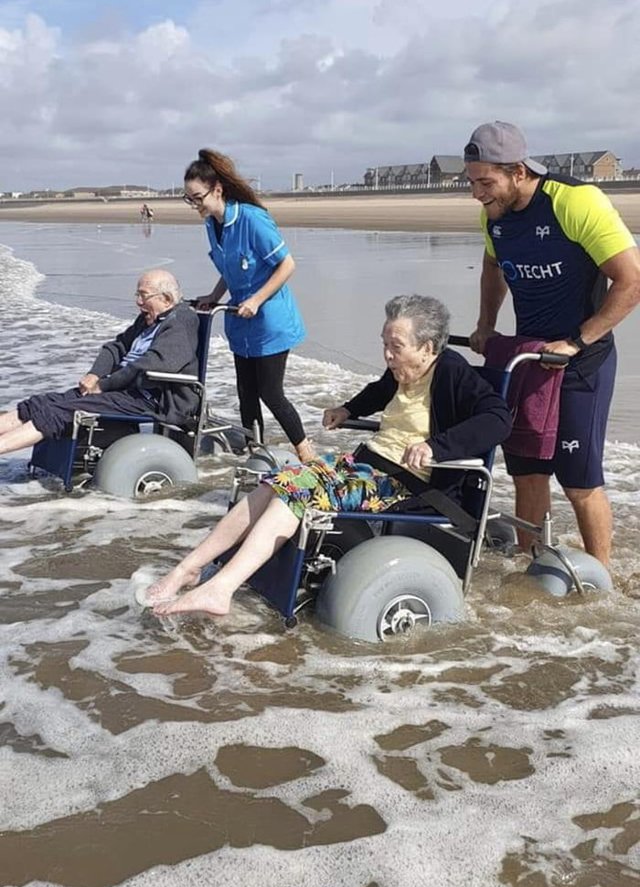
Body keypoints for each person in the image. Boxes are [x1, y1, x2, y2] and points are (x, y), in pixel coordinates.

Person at [146, 294, 512, 618]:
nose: (387, 355)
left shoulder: (452, 372)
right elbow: (379, 390)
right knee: (273, 485)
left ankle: (221, 589)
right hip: (367, 468)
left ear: (428, 348)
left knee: (296, 496)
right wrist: (348, 409)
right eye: (384, 344)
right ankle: (189, 568)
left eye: (396, 346)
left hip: (403, 483)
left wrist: (436, 447)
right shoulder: (403, 372)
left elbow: (498, 419)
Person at [464, 120, 640, 567]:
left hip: (583, 361)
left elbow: (631, 280)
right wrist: (486, 323)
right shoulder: (495, 216)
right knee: (526, 473)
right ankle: (532, 568)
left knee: (578, 480)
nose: (477, 194)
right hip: (527, 360)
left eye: (486, 182)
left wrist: (576, 342)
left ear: (518, 171)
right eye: (472, 182)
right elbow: (492, 265)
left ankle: (599, 581)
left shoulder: (575, 201)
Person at [183, 148, 313, 462]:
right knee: (246, 393)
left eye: (197, 197)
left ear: (217, 190)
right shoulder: (211, 224)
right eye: (189, 199)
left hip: (270, 320)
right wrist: (214, 297)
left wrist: (256, 299)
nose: (194, 205)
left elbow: (287, 265)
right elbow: (230, 269)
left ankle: (307, 453)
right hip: (239, 321)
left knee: (270, 392)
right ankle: (254, 454)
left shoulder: (253, 220)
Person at [0, 270, 199, 457]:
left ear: (165, 299)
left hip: (151, 397)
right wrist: (95, 374)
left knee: (57, 413)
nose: (138, 302)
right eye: (137, 295)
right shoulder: (148, 319)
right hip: (124, 390)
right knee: (40, 404)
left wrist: (103, 386)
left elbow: (153, 364)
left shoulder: (181, 320)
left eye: (143, 296)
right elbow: (116, 347)